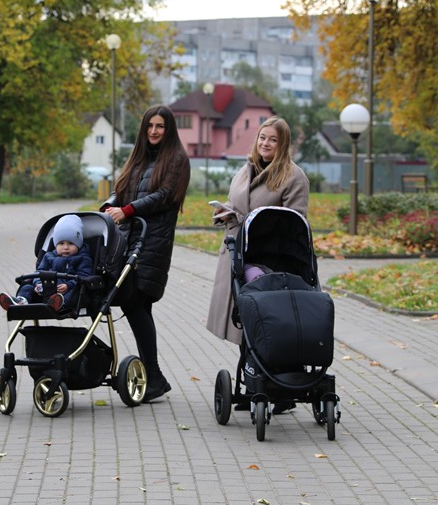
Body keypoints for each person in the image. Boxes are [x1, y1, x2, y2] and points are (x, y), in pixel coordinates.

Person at [205, 115, 308, 413]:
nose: (265, 144)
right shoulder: (244, 170)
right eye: (262, 138)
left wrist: (256, 227)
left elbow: (295, 223)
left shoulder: (293, 176)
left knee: (271, 324)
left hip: (271, 261)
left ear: (283, 144)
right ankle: (254, 384)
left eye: (272, 140)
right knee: (245, 321)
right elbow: (235, 204)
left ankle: (282, 388)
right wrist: (226, 215)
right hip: (238, 255)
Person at [100, 105, 190, 403]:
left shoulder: (177, 159)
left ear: (169, 129)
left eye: (160, 126)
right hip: (128, 239)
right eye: (150, 125)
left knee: (136, 300)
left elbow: (165, 196)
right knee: (139, 306)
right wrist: (111, 204)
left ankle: (153, 376)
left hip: (153, 241)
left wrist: (127, 210)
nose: (154, 131)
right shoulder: (138, 158)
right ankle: (154, 378)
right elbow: (123, 190)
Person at [0, 214, 93, 311]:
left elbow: (84, 276)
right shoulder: (48, 256)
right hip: (45, 291)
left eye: (71, 243)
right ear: (56, 244)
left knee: (75, 291)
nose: (65, 247)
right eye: (61, 243)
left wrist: (69, 285)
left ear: (79, 244)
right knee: (27, 287)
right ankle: (21, 301)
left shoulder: (83, 259)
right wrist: (38, 284)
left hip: (66, 290)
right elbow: (39, 272)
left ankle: (61, 303)